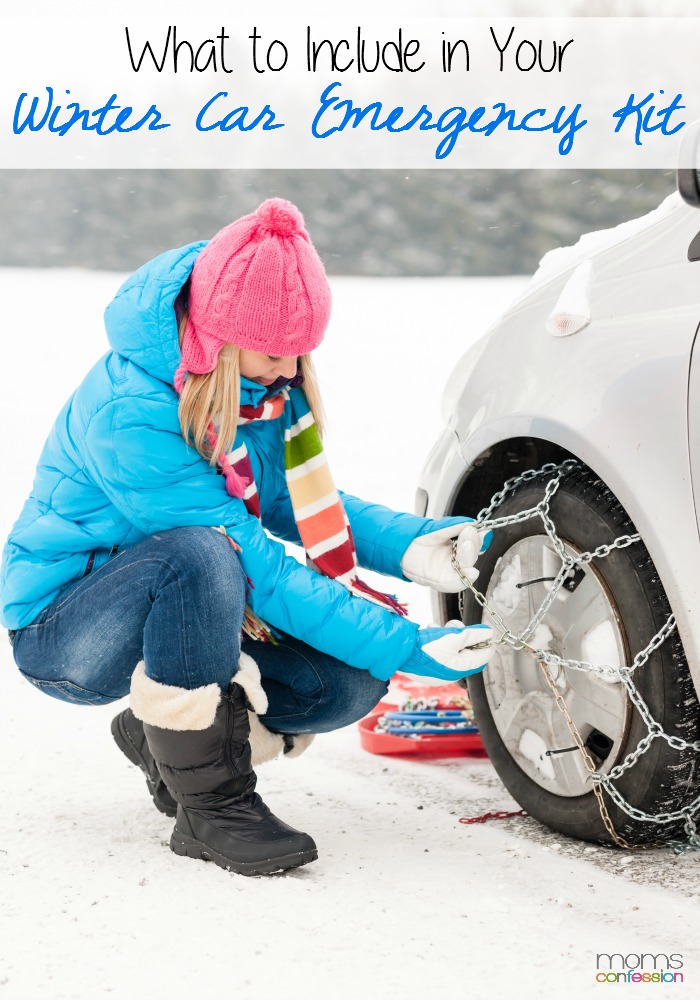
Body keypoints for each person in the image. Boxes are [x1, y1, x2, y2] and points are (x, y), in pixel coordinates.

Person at [0, 197, 493, 877]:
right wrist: (408, 644)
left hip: (189, 607)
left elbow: (295, 500)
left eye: (301, 354)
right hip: (69, 634)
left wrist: (412, 546)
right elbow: (245, 558)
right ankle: (212, 808)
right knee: (200, 552)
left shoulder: (249, 389)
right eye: (275, 353)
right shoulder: (132, 411)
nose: (291, 373)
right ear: (219, 338)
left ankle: (162, 736)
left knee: (345, 682)